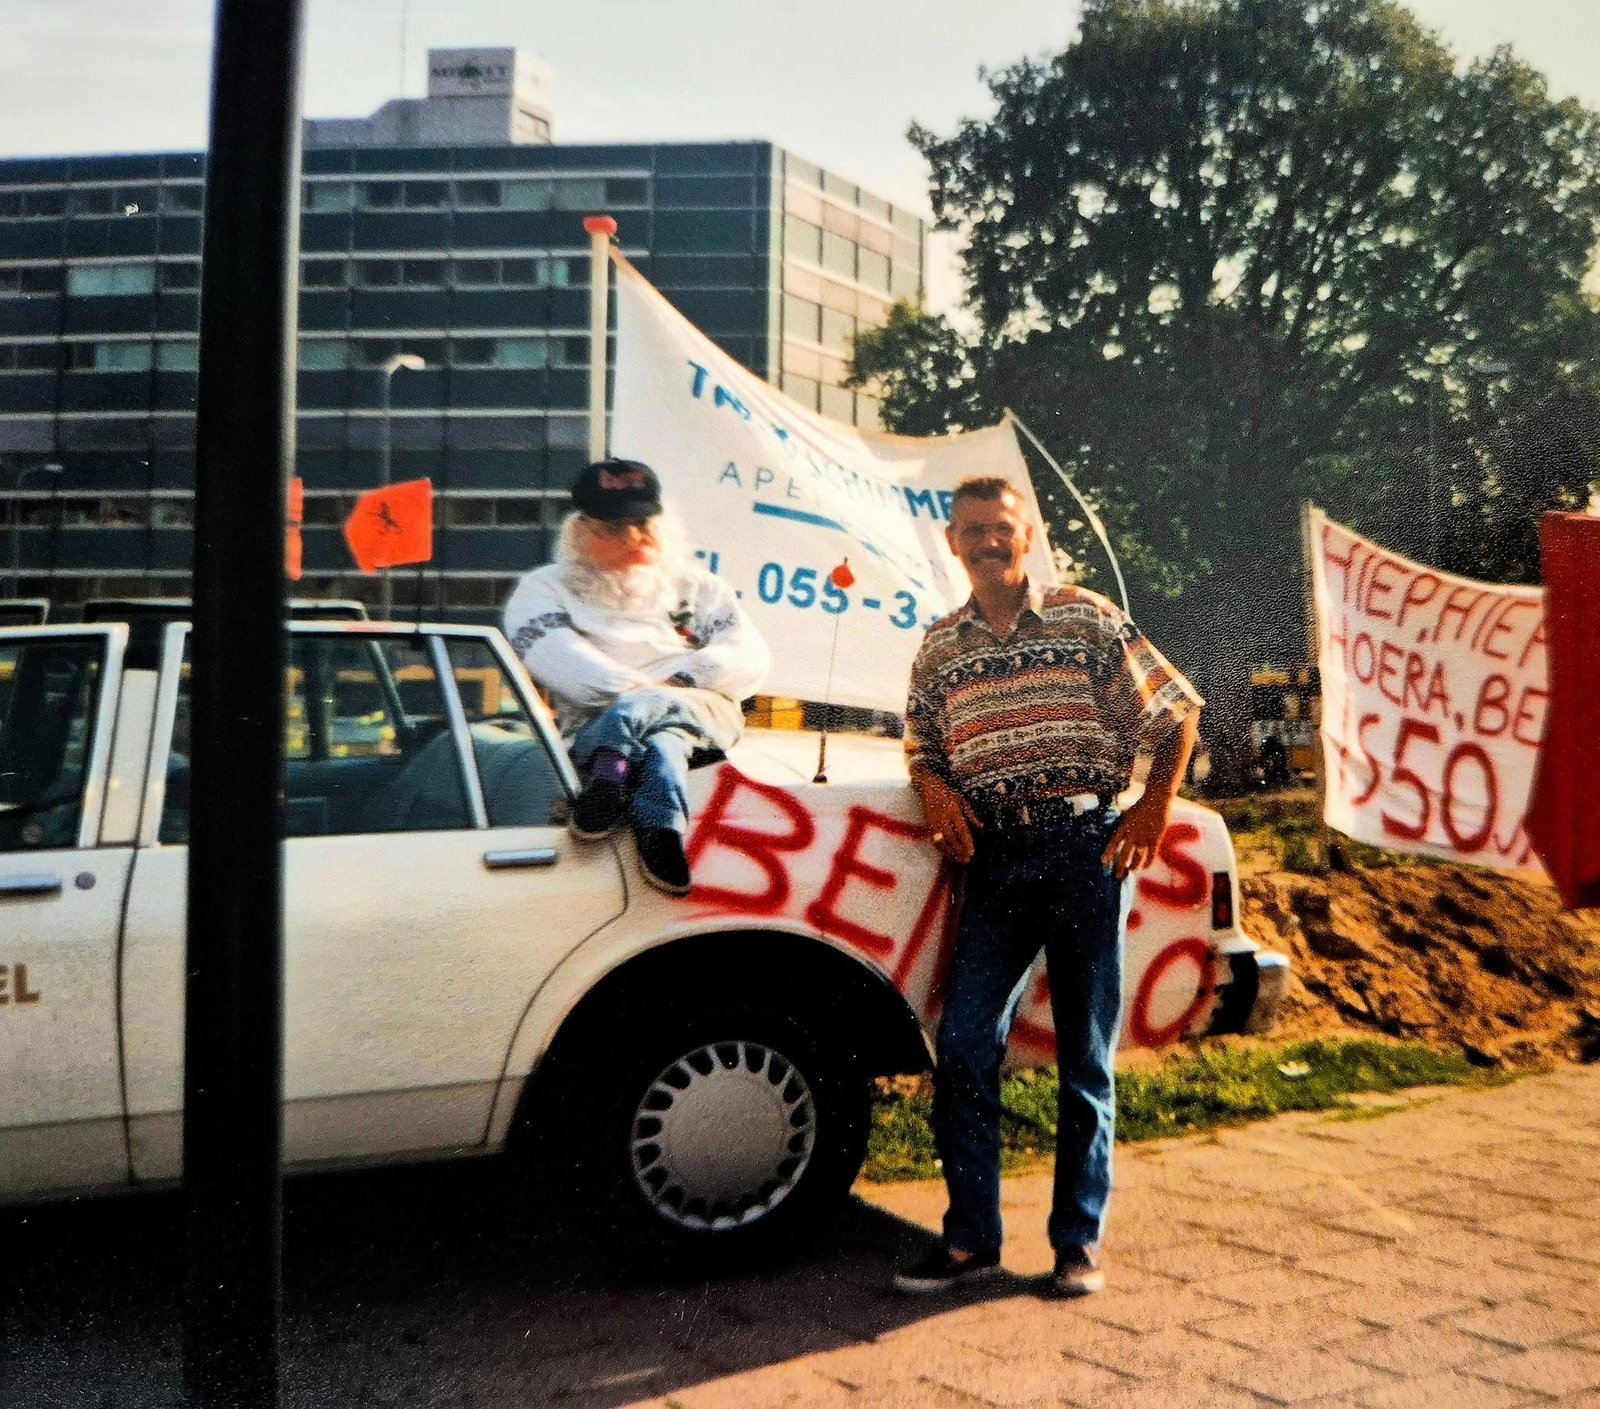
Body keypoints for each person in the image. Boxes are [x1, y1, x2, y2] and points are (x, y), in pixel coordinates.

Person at [892, 476, 1201, 1299]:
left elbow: (1176, 712)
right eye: (973, 531)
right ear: (952, 543)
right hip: (995, 859)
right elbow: (921, 743)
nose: (988, 542)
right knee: (964, 1044)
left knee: (1083, 1056)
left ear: (1027, 534)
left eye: (1002, 527)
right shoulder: (940, 645)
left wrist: (1152, 811)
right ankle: (971, 1240)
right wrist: (934, 787)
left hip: (1084, 852)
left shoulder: (1084, 617)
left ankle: (1077, 1242)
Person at [502, 458, 770, 895]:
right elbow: (563, 662)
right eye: (612, 528)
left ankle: (610, 772)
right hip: (609, 719)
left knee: (653, 715)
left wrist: (679, 683)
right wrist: (649, 696)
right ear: (579, 530)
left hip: (699, 707)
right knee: (664, 741)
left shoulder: (700, 588)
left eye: (642, 523)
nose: (631, 537)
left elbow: (748, 657)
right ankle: (660, 830)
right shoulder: (544, 589)